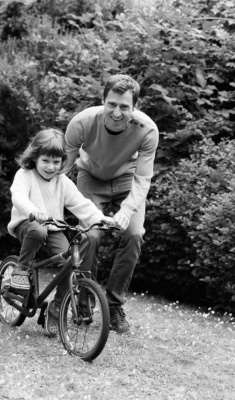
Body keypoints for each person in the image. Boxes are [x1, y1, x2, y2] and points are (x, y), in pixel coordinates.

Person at [64, 74, 159, 334]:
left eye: (124, 107)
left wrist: (127, 210)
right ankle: (83, 302)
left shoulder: (147, 130)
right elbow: (62, 169)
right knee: (91, 236)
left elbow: (143, 178)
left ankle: (114, 304)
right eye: (112, 104)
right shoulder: (82, 123)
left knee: (134, 233)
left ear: (134, 107)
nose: (117, 112)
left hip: (128, 181)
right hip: (91, 178)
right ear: (103, 101)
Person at [7, 128, 115, 336]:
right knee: (38, 231)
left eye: (56, 162)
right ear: (35, 156)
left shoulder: (62, 182)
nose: (51, 167)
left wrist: (101, 219)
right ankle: (21, 269)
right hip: (28, 225)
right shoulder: (25, 175)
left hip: (54, 228)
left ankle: (55, 310)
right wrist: (33, 211)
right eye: (46, 160)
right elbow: (18, 196)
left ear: (63, 162)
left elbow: (81, 204)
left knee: (69, 264)